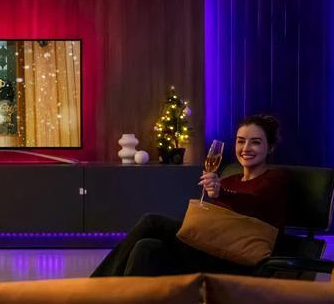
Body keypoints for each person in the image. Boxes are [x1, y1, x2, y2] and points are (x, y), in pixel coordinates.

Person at [91, 113, 289, 277]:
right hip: (208, 253)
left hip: (239, 262)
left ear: (270, 148)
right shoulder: (229, 179)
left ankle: (96, 287)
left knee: (152, 222)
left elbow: (255, 201)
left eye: (255, 143)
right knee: (146, 247)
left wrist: (221, 193)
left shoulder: (276, 177)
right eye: (241, 141)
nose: (246, 148)